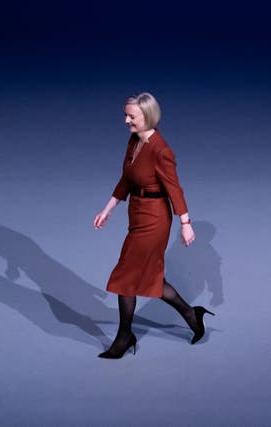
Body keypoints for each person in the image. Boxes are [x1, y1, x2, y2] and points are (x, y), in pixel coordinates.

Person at [93, 92, 214, 359]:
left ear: (147, 116)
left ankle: (124, 336)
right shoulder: (134, 141)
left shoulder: (161, 150)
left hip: (155, 219)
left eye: (131, 116)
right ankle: (191, 314)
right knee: (150, 279)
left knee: (126, 277)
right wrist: (108, 209)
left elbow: (175, 189)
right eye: (125, 115)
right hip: (137, 214)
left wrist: (186, 223)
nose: (126, 120)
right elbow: (126, 179)